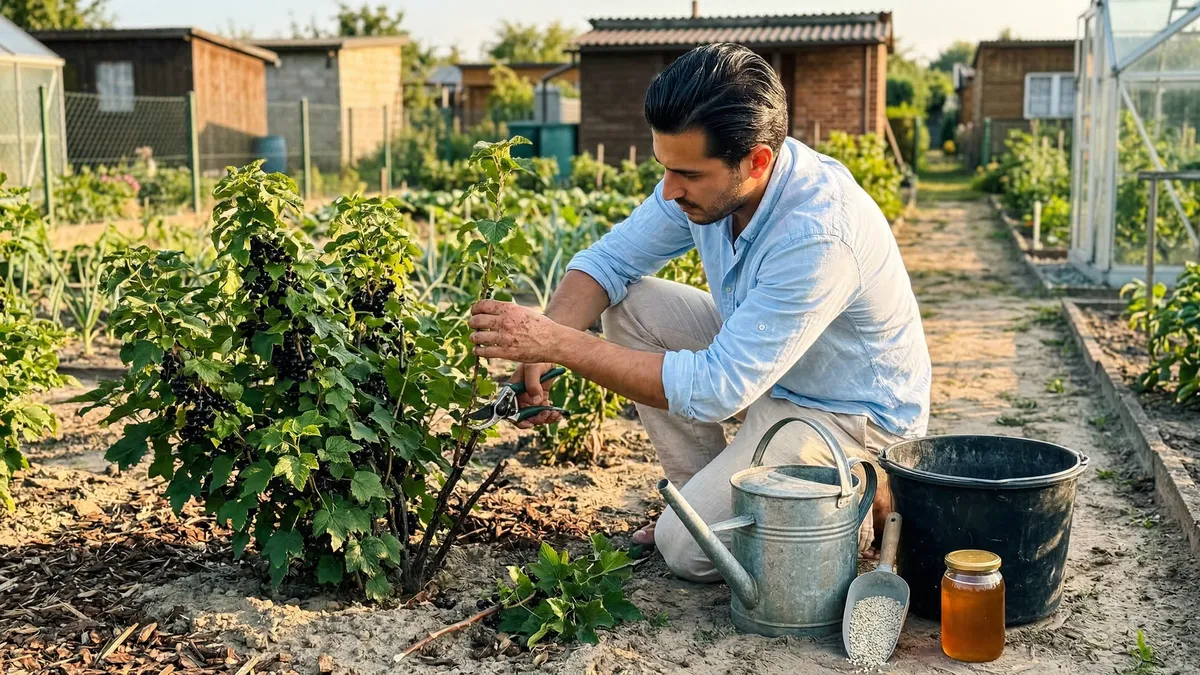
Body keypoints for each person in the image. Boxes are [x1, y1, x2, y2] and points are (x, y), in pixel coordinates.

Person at [468, 43, 931, 582]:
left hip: (847, 416)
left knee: (687, 551)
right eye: (665, 166)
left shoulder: (820, 232)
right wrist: (548, 339)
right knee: (632, 305)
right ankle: (699, 495)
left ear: (756, 161)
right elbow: (609, 261)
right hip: (772, 375)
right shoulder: (712, 183)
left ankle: (855, 484)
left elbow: (717, 389)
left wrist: (559, 344)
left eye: (686, 173)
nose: (669, 189)